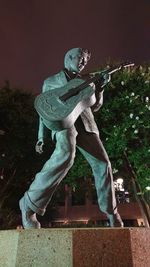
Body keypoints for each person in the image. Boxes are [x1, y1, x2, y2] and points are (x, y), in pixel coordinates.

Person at [19, 47, 123, 228]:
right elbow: (44, 109)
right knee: (65, 157)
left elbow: (95, 106)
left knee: (103, 164)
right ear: (69, 57)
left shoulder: (87, 81)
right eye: (81, 59)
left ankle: (111, 212)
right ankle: (28, 204)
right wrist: (41, 136)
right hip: (64, 125)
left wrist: (101, 88)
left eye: (86, 61)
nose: (83, 63)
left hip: (86, 126)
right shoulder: (51, 81)